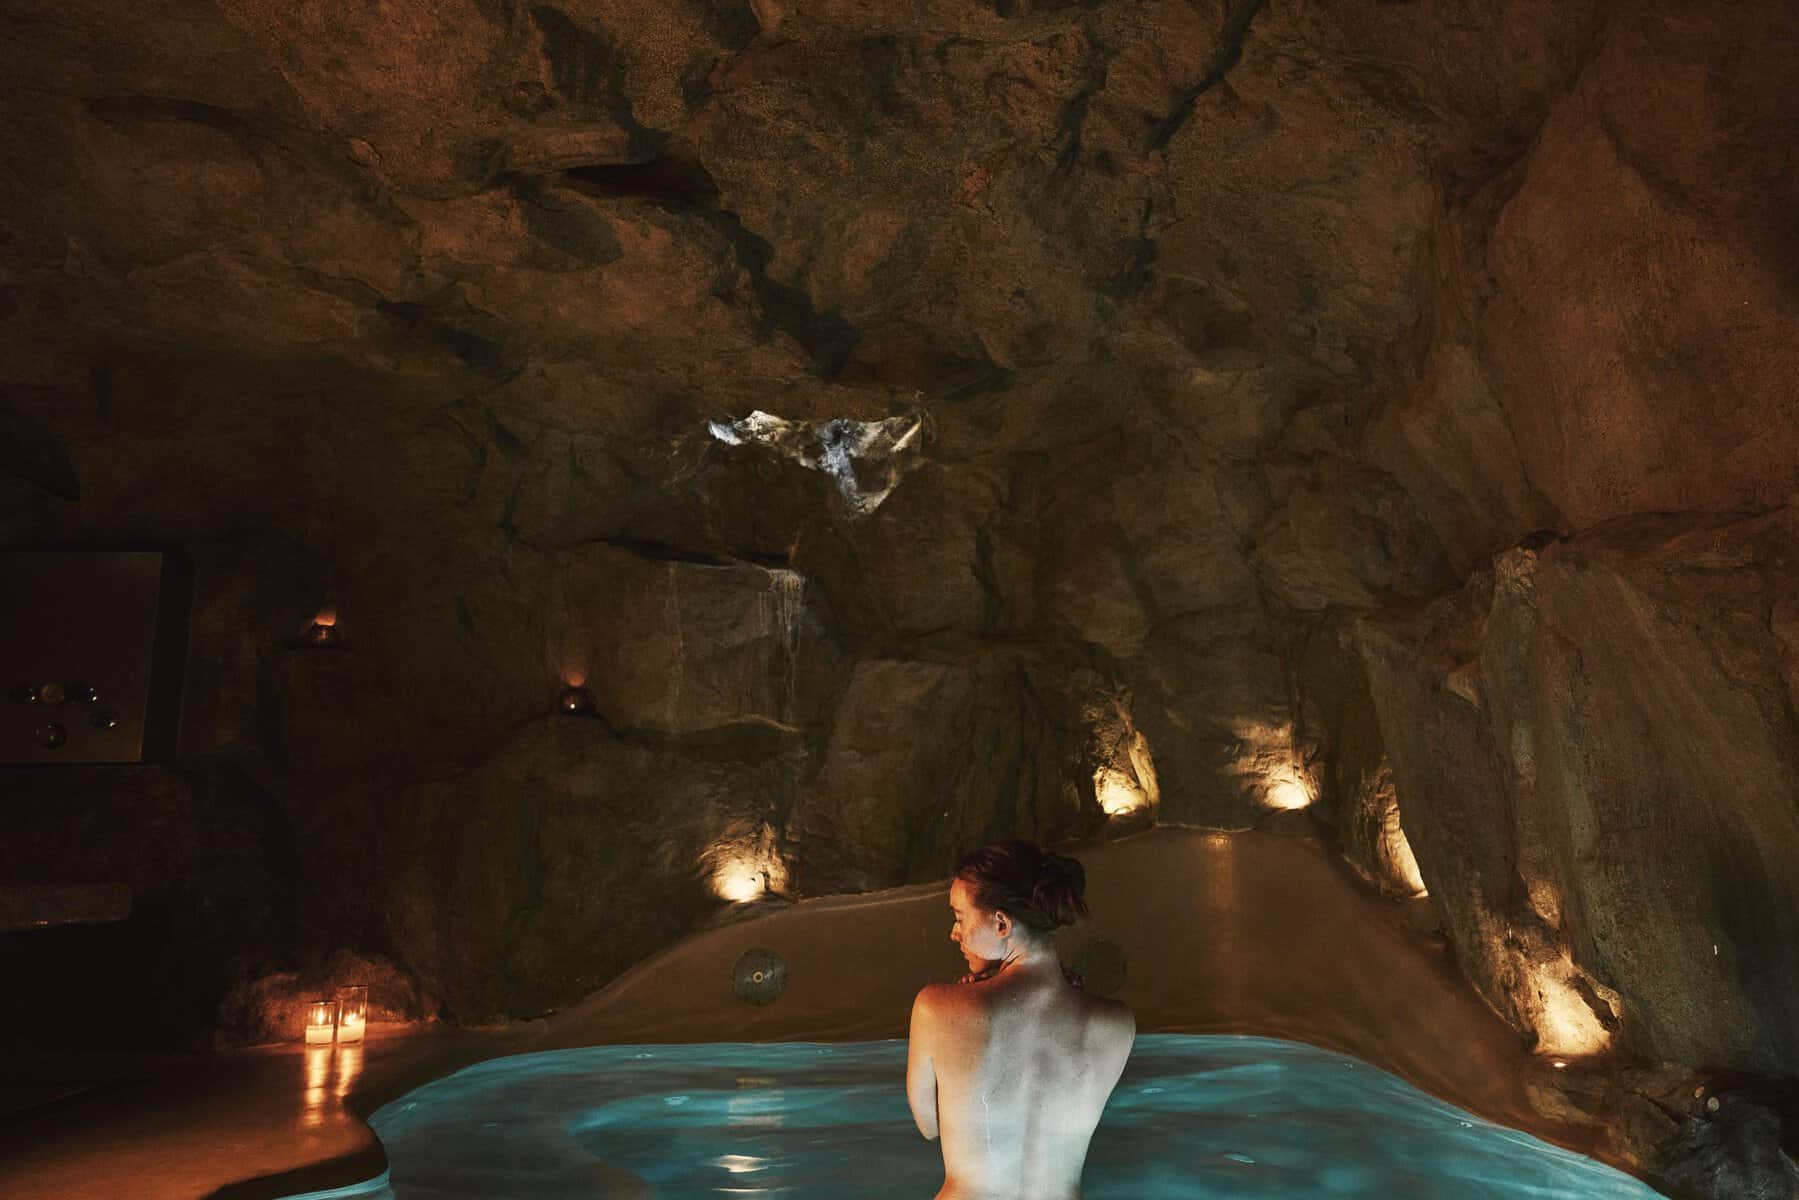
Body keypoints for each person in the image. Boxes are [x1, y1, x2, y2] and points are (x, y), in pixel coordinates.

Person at [907, 841, 1136, 1200]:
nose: (954, 932)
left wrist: (973, 992)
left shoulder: (935, 1008)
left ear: (1001, 923)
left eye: (959, 917)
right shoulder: (1118, 1024)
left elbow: (929, 1126)